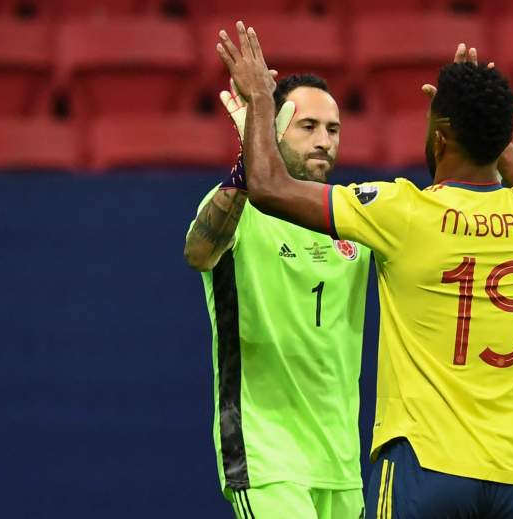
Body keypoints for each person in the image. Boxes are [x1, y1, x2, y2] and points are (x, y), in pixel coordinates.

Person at [216, 22, 513, 518]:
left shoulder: (406, 212)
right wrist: (488, 129)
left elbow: (269, 186)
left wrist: (259, 97)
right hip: (512, 473)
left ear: (443, 136)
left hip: (425, 463)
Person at [184, 72, 371, 519]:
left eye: (332, 129)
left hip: (342, 462)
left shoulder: (353, 218)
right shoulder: (238, 206)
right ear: (272, 129)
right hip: (267, 453)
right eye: (307, 127)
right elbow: (199, 252)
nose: (323, 140)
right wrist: (251, 164)